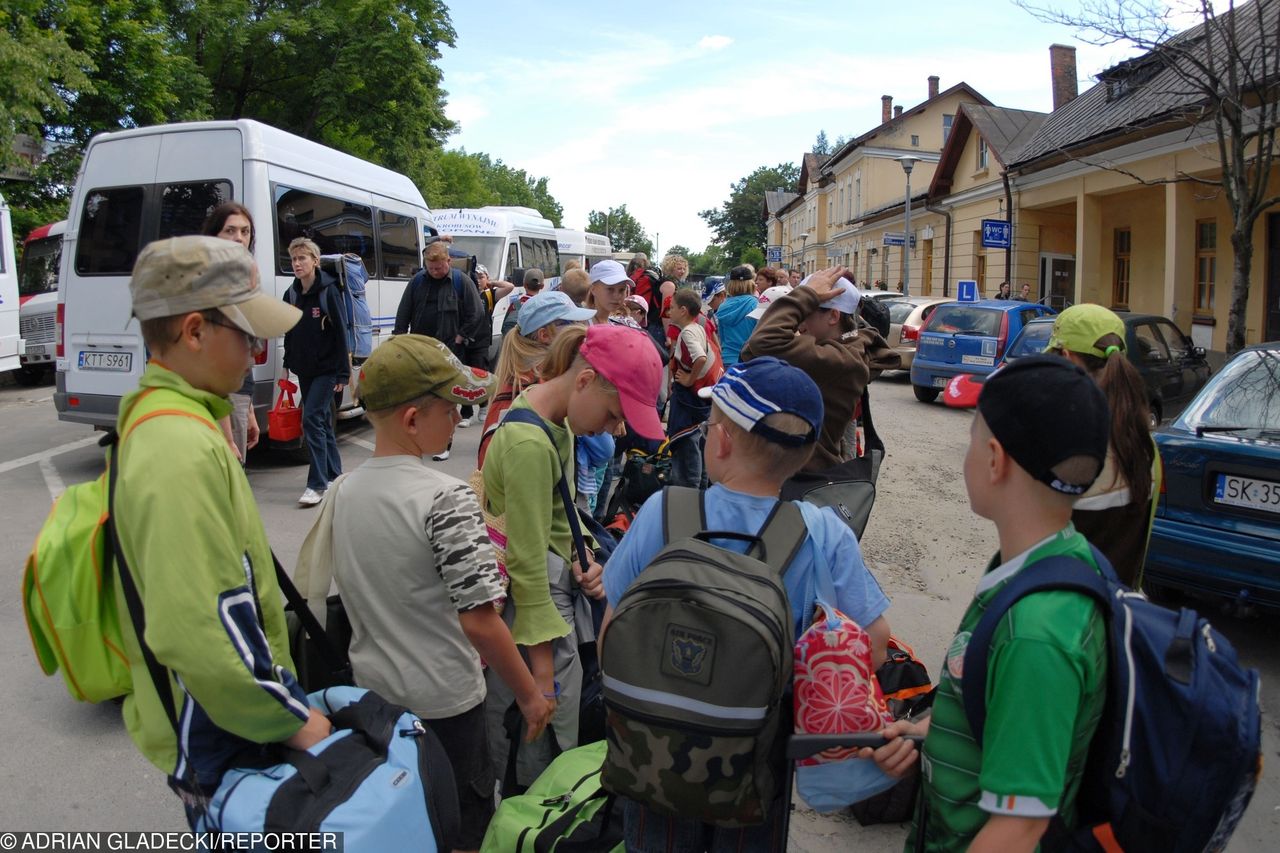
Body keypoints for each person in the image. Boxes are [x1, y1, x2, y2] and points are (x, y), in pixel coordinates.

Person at [601, 356, 892, 852]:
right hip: (758, 761)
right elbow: (876, 647)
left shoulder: (664, 511)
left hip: (653, 752)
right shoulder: (823, 533)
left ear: (722, 439)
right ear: (803, 457)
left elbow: (612, 633)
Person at [115, 236, 329, 824]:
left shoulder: (172, 420)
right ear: (193, 331)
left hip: (226, 711)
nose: (258, 348)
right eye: (247, 332)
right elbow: (202, 634)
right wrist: (292, 719)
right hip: (225, 719)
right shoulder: (178, 447)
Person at [862, 356, 1110, 853]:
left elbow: (1017, 828)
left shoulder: (1038, 631)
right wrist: (931, 730)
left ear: (995, 460)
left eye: (972, 437)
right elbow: (1001, 707)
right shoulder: (1042, 562)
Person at [330, 334, 554, 853]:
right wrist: (529, 696)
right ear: (412, 419)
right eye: (453, 408)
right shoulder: (445, 498)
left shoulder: (344, 490)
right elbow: (478, 620)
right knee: (458, 830)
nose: (459, 419)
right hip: (445, 711)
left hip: (375, 702)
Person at [481, 324, 664, 787]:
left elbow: (563, 513)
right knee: (539, 729)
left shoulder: (556, 423)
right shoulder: (528, 443)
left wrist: (584, 555)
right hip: (530, 617)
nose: (616, 429)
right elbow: (524, 564)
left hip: (548, 596)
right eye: (613, 415)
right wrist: (542, 672)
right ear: (584, 381)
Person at [741, 266, 900, 473]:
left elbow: (762, 342)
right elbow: (751, 353)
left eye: (806, 314)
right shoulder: (843, 349)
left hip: (804, 478)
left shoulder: (841, 360)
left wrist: (804, 295)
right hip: (803, 471)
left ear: (833, 316)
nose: (799, 325)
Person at [1045, 304, 1157, 587]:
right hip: (1116, 609)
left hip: (1062, 611)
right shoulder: (1144, 444)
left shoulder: (1068, 445)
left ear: (1067, 358)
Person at [478, 290, 595, 468]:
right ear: (544, 335)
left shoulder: (535, 377)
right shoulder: (538, 385)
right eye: (571, 323)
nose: (581, 329)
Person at [394, 240, 487, 456]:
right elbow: (403, 312)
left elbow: (477, 313)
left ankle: (444, 444)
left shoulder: (460, 281)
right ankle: (422, 439)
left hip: (450, 352)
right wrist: (399, 339)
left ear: (449, 261)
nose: (435, 271)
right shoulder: (417, 281)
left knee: (445, 400)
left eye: (439, 267)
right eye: (431, 267)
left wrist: (460, 336)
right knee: (422, 399)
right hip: (421, 352)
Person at [282, 237, 348, 506]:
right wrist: (287, 365)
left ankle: (317, 484)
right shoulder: (292, 293)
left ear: (315, 261)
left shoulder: (328, 291)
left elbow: (341, 334)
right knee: (319, 421)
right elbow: (289, 329)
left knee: (310, 419)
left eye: (302, 259)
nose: (297, 264)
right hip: (305, 368)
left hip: (327, 368)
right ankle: (334, 475)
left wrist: (343, 374)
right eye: (294, 259)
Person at [201, 202, 260, 464]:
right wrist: (226, 438)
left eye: (245, 232)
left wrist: (249, 411)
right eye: (230, 230)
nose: (239, 238)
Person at [667, 289, 721, 488]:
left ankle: (689, 496)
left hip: (688, 399)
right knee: (700, 444)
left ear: (682, 310)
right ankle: (701, 491)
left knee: (687, 446)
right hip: (700, 400)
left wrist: (689, 379)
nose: (668, 311)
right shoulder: (697, 326)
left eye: (671, 307)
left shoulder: (688, 332)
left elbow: (700, 357)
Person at [718, 265, 762, 366]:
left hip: (727, 360)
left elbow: (722, 337)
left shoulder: (723, 306)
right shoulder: (756, 305)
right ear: (751, 283)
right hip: (748, 360)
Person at [585, 259, 632, 326]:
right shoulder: (580, 326)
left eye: (622, 290)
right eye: (610, 289)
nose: (617, 296)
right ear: (593, 289)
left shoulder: (618, 325)